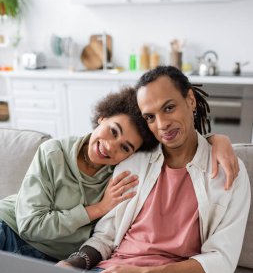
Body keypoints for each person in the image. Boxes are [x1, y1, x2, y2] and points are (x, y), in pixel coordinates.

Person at [0, 66, 250, 273]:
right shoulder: (135, 161)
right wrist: (73, 264)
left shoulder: (227, 170)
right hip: (110, 272)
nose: (162, 124)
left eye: (169, 107)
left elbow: (220, 262)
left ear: (191, 100)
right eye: (150, 117)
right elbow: (105, 237)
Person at [0, 85, 237, 262]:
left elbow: (173, 143)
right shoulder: (53, 154)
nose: (111, 147)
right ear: (102, 117)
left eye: (125, 147)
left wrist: (217, 139)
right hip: (9, 230)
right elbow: (29, 225)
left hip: (52, 260)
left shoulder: (124, 171)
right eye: (113, 131)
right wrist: (98, 209)